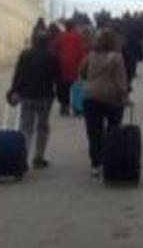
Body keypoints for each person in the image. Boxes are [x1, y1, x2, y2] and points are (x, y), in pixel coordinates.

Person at [81, 29, 131, 178]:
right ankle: (110, 159)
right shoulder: (117, 57)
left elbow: (82, 72)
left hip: (91, 97)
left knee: (94, 132)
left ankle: (95, 164)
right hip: (112, 98)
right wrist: (125, 97)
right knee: (113, 130)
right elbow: (121, 79)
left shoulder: (91, 55)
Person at [6, 33, 60, 169]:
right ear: (48, 42)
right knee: (42, 126)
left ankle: (22, 158)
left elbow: (18, 75)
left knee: (26, 127)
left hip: (27, 96)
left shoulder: (25, 55)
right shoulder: (52, 57)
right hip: (45, 97)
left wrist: (13, 91)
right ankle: (38, 157)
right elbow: (56, 77)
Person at [55, 20, 87, 116]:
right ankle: (77, 109)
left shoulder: (61, 36)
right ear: (73, 26)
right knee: (76, 88)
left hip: (62, 65)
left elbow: (55, 50)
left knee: (63, 87)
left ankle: (64, 107)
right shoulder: (78, 36)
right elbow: (81, 51)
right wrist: (84, 64)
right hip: (75, 66)